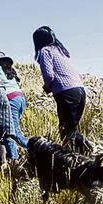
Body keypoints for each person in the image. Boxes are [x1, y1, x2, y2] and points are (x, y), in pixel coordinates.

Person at [33, 26, 92, 154]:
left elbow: (48, 75)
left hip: (66, 93)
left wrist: (47, 87)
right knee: (72, 128)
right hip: (80, 90)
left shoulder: (45, 51)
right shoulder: (61, 51)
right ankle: (87, 153)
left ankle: (72, 160)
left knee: (66, 130)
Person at [0, 51, 28, 164]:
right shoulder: (9, 69)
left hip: (10, 99)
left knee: (11, 131)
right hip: (20, 98)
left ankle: (33, 149)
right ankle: (12, 155)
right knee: (10, 129)